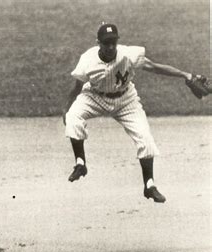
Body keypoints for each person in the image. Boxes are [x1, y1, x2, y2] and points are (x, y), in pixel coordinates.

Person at [63, 23, 197, 203]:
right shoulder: (87, 60)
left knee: (145, 137)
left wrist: (186, 75)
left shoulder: (129, 54)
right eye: (106, 43)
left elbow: (155, 67)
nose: (110, 47)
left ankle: (149, 185)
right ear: (98, 43)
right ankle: (80, 164)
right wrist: (67, 109)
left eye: (113, 42)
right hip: (95, 97)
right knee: (73, 118)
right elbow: (77, 88)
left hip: (126, 100)